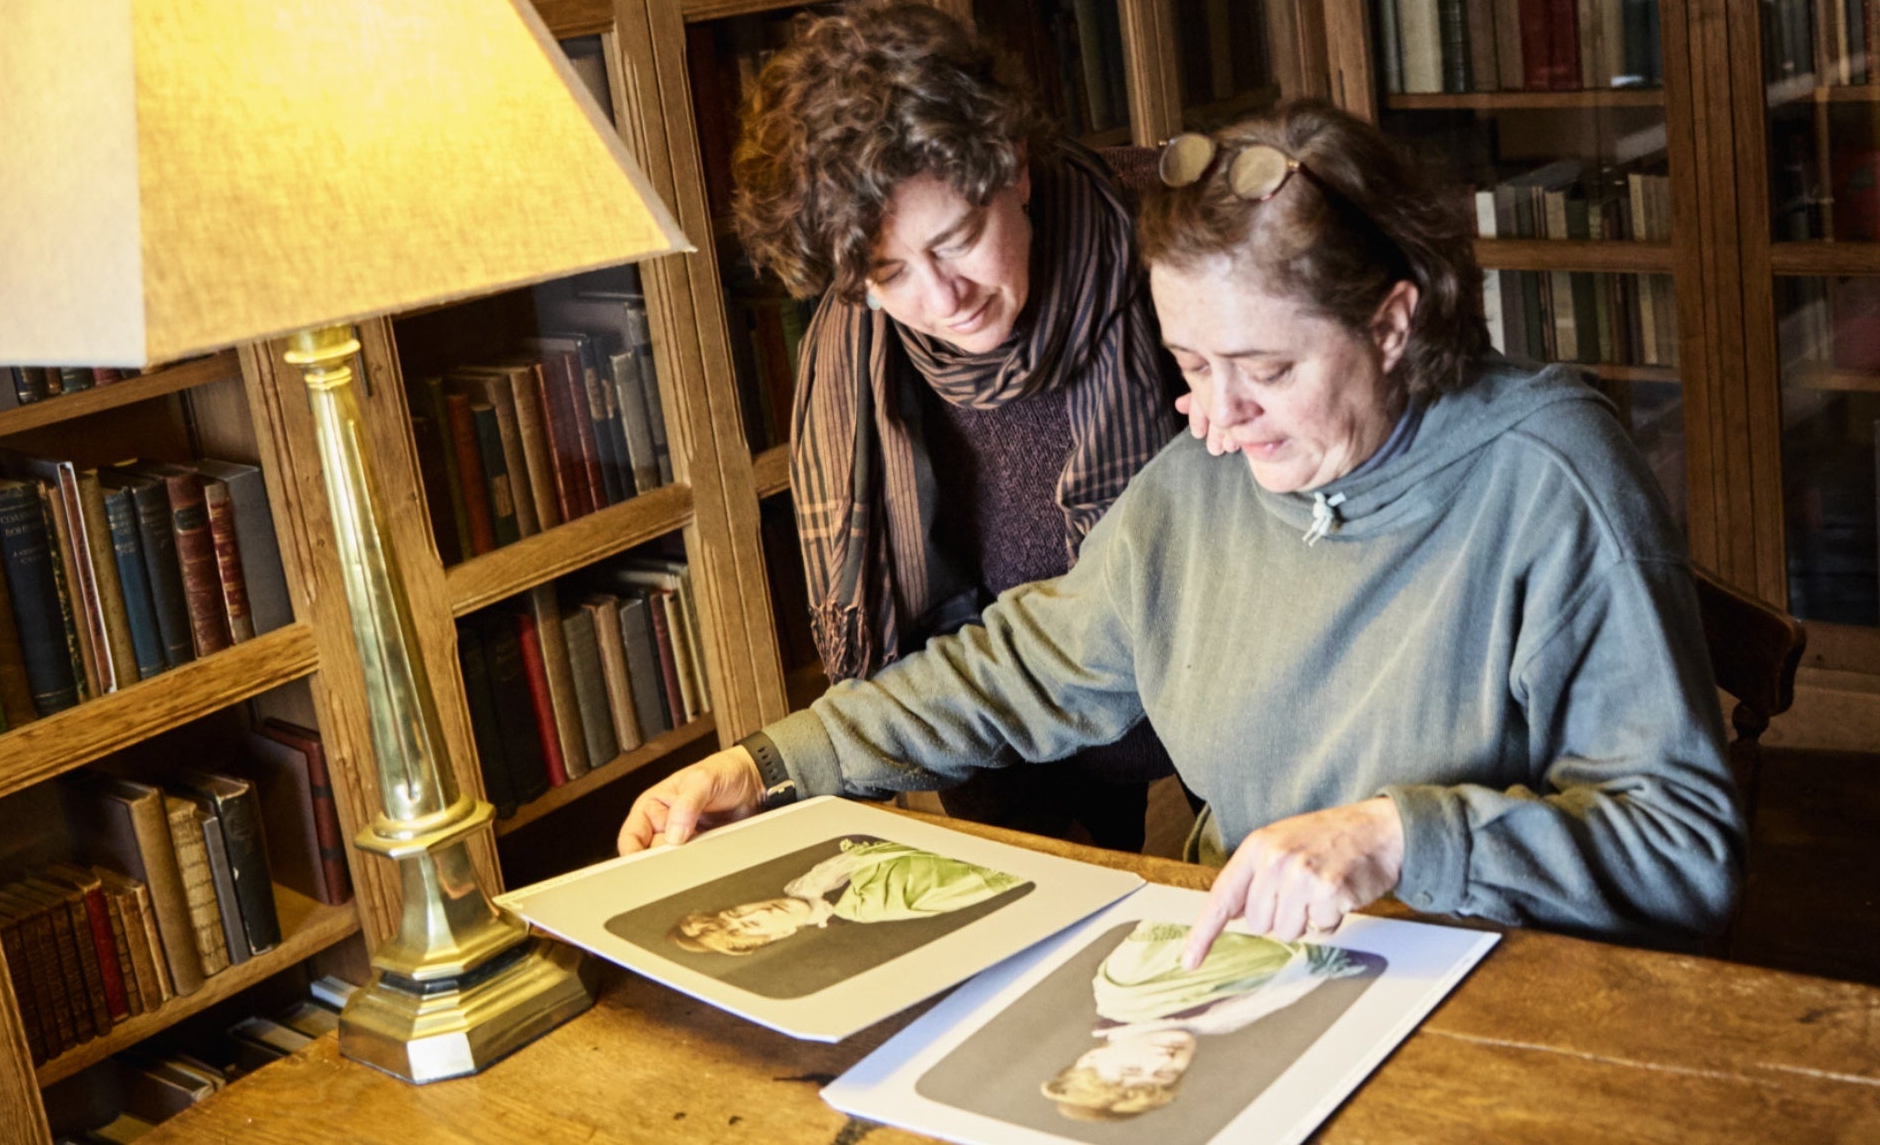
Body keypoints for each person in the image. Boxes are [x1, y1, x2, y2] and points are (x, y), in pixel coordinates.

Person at [625, 101, 1742, 957]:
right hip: (1262, 973)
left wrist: (1397, 837)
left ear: (1394, 322)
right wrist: (766, 763)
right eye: (1193, 366)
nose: (1216, 418)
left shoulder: (1546, 479)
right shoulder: (1203, 481)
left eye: (1267, 370)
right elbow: (1014, 670)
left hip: (1495, 984)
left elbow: (1681, 850)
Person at [731, 0, 1182, 850]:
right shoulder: (859, 350)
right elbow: (952, 664)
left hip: (1223, 678)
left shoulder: (1179, 242)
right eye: (890, 270)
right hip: (994, 725)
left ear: (1014, 166)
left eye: (960, 239)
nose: (942, 301)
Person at [1041, 920, 1370, 1120]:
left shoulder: (1128, 984)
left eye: (1133, 1070)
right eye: (1166, 1075)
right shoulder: (1218, 1023)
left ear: (1093, 1056)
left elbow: (1192, 899)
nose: (1163, 1059)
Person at [666, 835, 1026, 957]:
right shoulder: (865, 911)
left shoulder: (802, 877)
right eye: (748, 926)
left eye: (735, 911)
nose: (756, 911)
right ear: (774, 937)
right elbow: (986, 878)